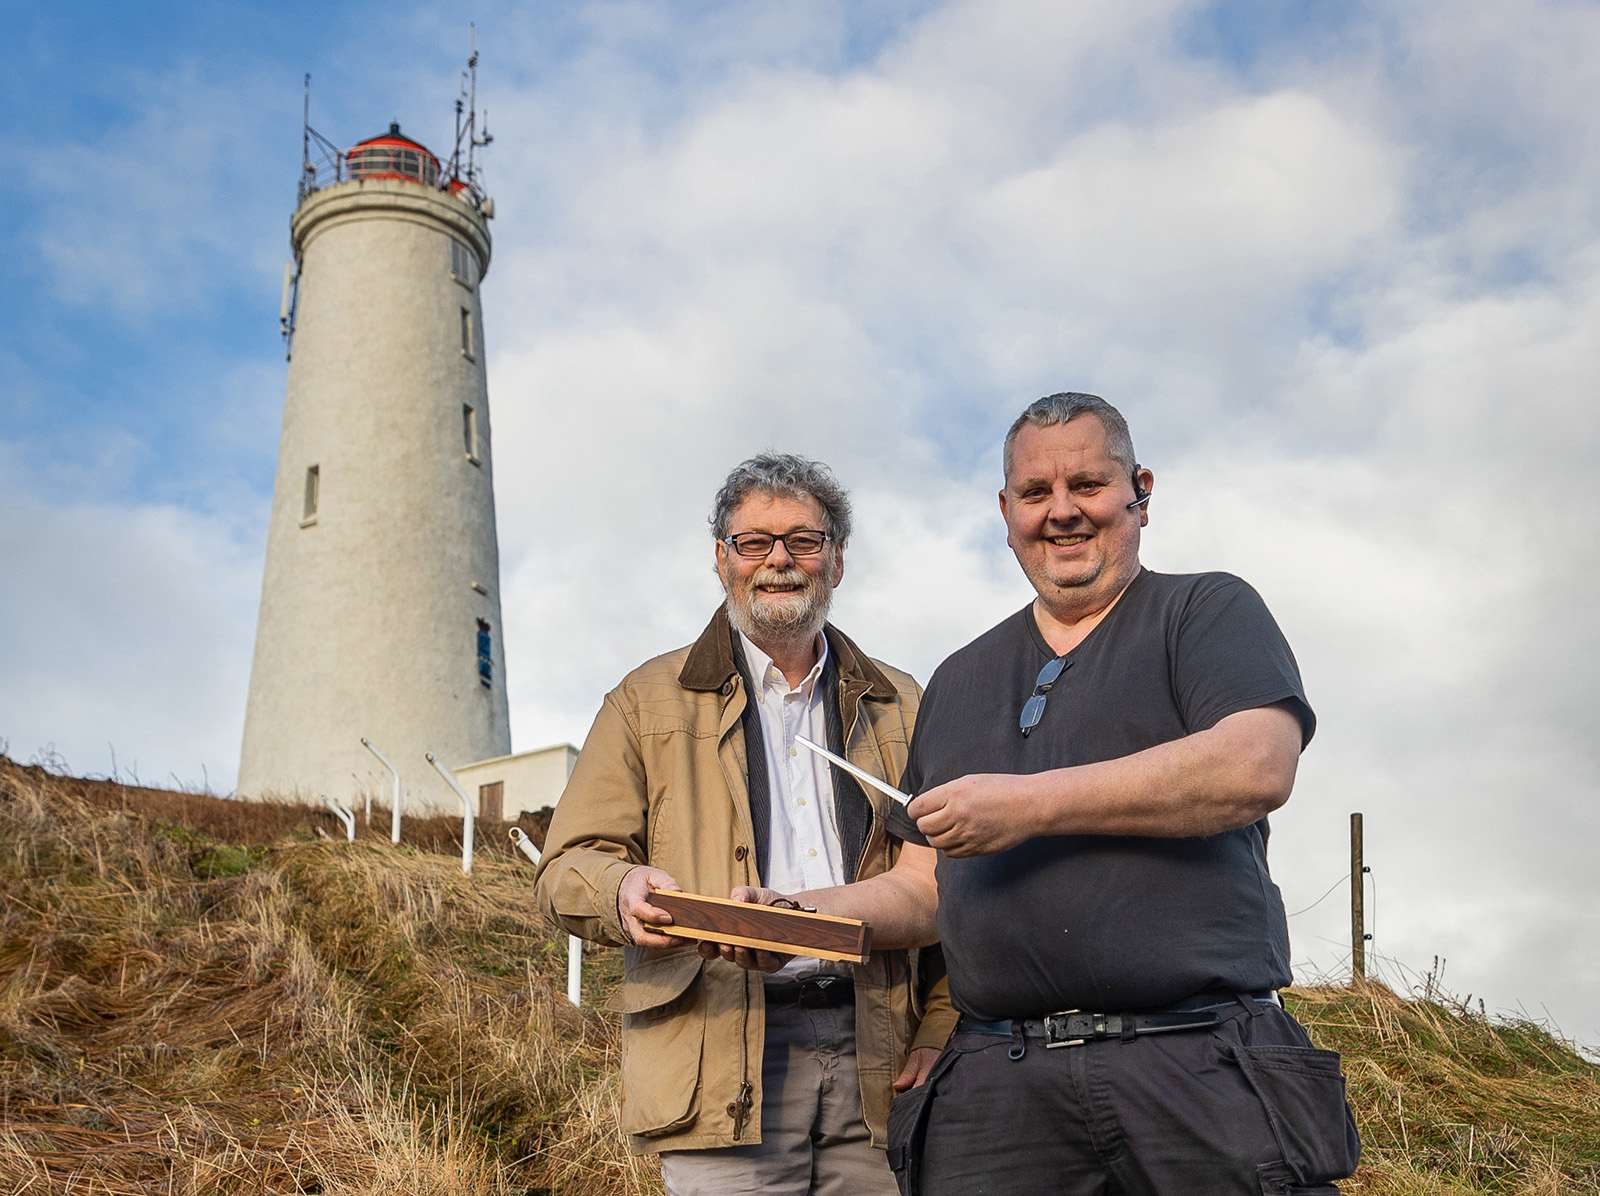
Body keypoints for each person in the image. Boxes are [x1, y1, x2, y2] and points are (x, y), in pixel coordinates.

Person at [882, 392, 1361, 1195]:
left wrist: (1026, 805)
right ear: (1006, 512)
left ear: (1140, 489)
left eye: (1088, 486)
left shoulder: (1206, 610)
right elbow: (917, 888)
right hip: (996, 1089)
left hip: (1197, 1066)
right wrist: (786, 918)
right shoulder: (957, 678)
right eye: (1036, 494)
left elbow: (1254, 766)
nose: (1061, 513)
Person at [534, 452, 954, 1196]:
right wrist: (623, 888)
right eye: (754, 541)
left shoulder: (908, 703)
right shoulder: (642, 701)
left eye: (805, 540)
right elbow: (567, 866)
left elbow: (955, 887)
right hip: (717, 1059)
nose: (779, 561)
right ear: (721, 560)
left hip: (882, 1064)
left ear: (838, 560)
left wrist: (938, 1032)